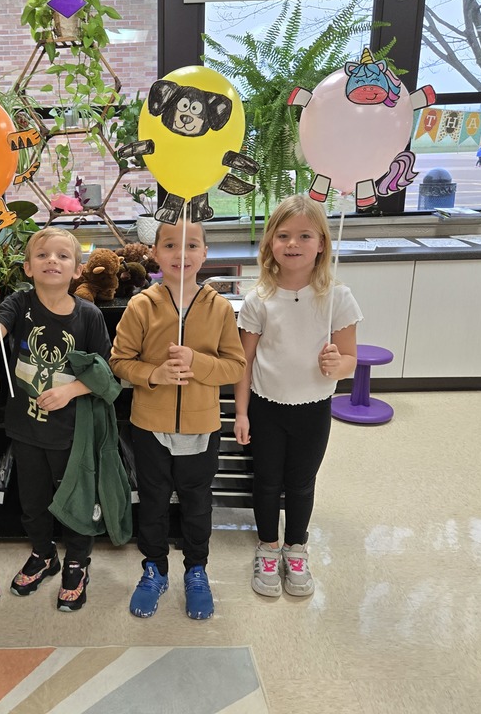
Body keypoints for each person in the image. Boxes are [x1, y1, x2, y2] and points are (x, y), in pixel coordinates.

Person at [109, 220, 246, 620]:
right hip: (150, 425)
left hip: (201, 426)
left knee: (197, 502)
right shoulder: (141, 306)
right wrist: (154, 374)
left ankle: (196, 570)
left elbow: (235, 366)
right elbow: (119, 362)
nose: (181, 254)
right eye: (170, 245)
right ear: (154, 253)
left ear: (205, 254)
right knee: (152, 501)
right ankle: (153, 569)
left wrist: (196, 362)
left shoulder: (218, 307)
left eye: (191, 246)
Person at [0, 228, 112, 612]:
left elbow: (106, 374)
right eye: (43, 255)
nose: (52, 260)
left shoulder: (89, 315)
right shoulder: (18, 303)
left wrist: (69, 391)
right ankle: (44, 552)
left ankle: (77, 560)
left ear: (78, 270)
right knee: (32, 501)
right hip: (26, 428)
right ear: (28, 267)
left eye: (63, 256)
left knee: (76, 500)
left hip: (72, 433)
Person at [234, 195, 362, 598]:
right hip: (265, 406)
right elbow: (244, 361)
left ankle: (297, 547)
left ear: (322, 243)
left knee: (302, 482)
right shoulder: (259, 300)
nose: (293, 244)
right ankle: (268, 547)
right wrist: (241, 413)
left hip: (313, 408)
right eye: (284, 235)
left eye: (305, 235)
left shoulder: (337, 298)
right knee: (267, 482)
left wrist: (335, 365)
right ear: (270, 242)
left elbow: (352, 362)